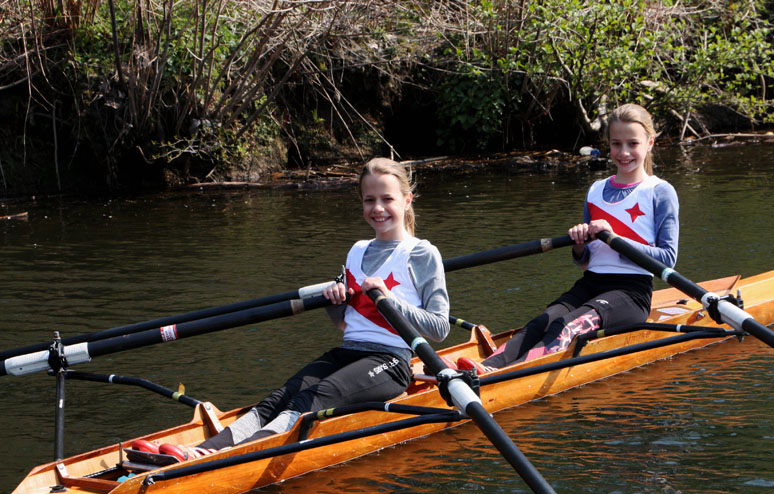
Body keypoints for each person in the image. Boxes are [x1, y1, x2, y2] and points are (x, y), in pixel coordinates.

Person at [153, 158, 450, 461]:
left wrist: (390, 300)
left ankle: (246, 453)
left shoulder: (422, 253)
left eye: (387, 199)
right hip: (349, 352)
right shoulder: (358, 250)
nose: (378, 208)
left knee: (318, 396)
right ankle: (207, 450)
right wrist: (335, 302)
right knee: (280, 396)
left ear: (406, 199)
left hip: (392, 361)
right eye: (369, 200)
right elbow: (345, 326)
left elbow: (439, 329)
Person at [459, 103, 678, 373]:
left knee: (568, 326)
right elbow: (584, 262)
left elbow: (668, 259)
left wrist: (613, 236)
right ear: (607, 144)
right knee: (541, 323)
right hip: (591, 283)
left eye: (633, 143)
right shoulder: (596, 190)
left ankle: (507, 376)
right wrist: (579, 245)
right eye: (616, 143)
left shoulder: (659, 191)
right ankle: (483, 368)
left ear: (650, 143)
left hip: (632, 293)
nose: (623, 153)